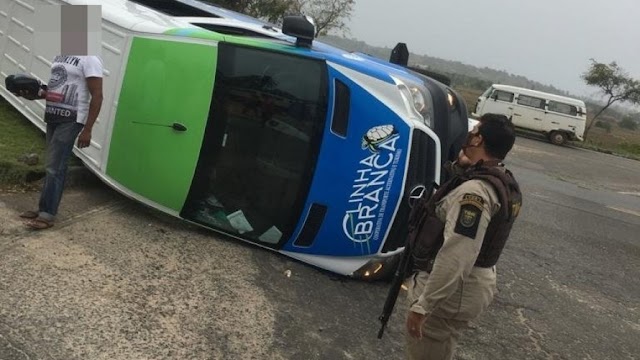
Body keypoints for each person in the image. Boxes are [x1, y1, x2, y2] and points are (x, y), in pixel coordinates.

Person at [404, 113, 522, 360]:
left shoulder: (474, 193)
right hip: (465, 289)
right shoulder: (495, 178)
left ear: (478, 140)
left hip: (450, 295)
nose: (468, 135)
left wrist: (424, 305)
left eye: (475, 131)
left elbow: (457, 254)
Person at [13, 55, 103, 230]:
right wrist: (35, 94)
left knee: (55, 167)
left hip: (72, 118)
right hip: (53, 115)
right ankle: (43, 209)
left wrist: (88, 128)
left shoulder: (90, 58)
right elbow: (56, 91)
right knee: (51, 165)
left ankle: (47, 214)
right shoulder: (60, 57)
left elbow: (98, 95)